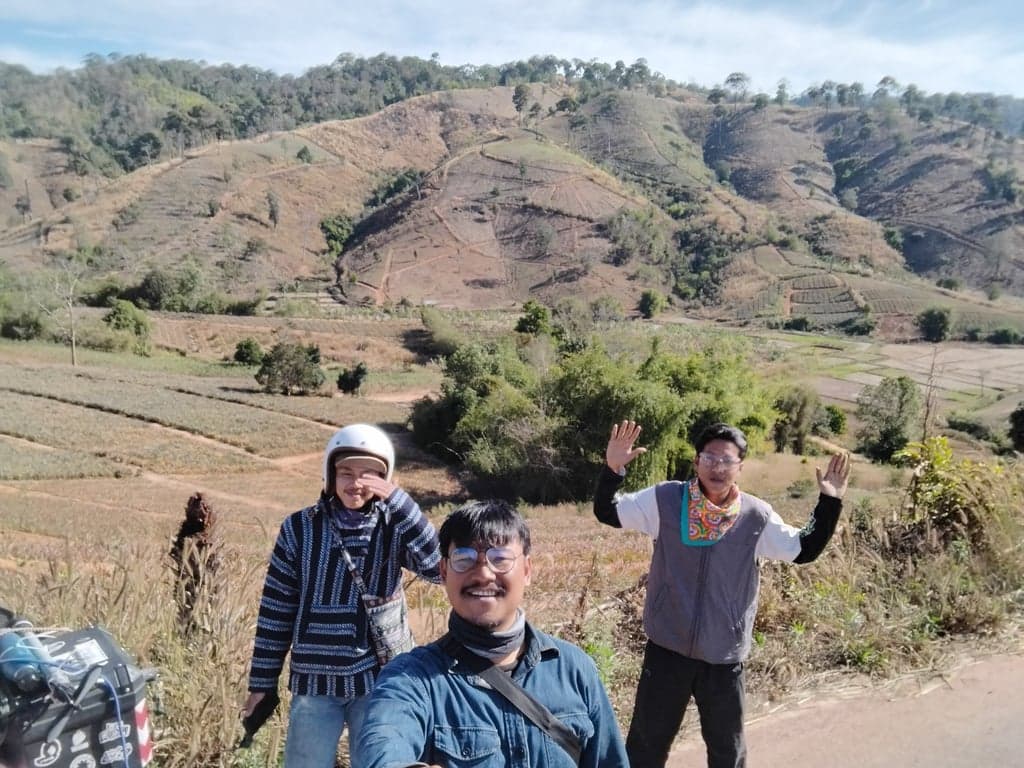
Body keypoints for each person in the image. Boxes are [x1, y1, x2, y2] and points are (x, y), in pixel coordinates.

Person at [594, 420, 851, 768]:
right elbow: (608, 511)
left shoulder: (756, 517)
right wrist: (613, 469)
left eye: (727, 460)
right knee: (645, 748)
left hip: (724, 656)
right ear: (696, 461)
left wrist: (829, 501)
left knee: (727, 753)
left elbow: (803, 549)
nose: (718, 467)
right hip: (667, 648)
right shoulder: (665, 500)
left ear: (740, 467)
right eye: (710, 458)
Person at [354, 499, 629, 768]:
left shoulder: (575, 669)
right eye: (464, 559)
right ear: (444, 571)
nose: (484, 574)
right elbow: (383, 745)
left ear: (527, 571)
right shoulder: (411, 678)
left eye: (500, 559)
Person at [244, 423, 442, 768]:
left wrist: (401, 502)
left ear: (386, 478)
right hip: (315, 684)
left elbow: (438, 567)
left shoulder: (393, 526)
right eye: (346, 472)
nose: (356, 483)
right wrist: (262, 682)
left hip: (379, 680)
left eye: (370, 475)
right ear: (330, 473)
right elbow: (276, 610)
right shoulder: (299, 528)